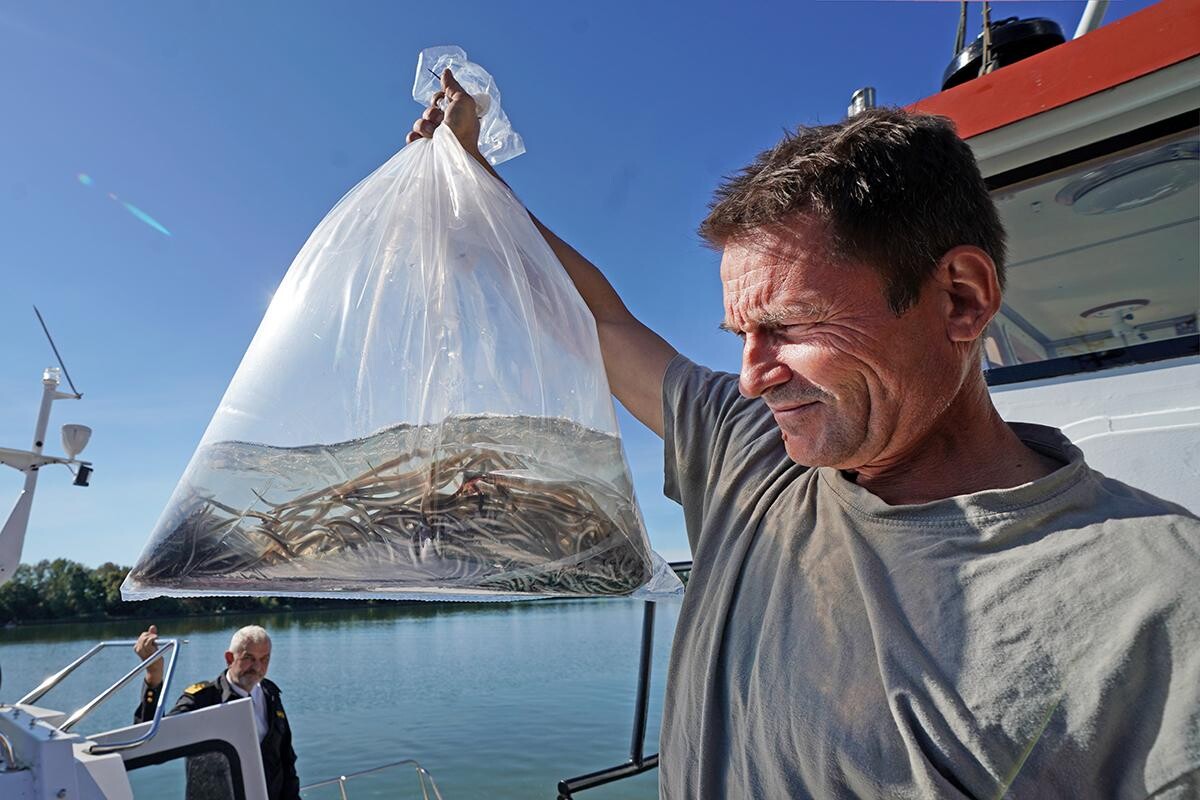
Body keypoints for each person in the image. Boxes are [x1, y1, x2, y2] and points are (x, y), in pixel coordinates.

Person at [409, 71, 1200, 798]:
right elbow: (600, 321)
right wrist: (470, 174)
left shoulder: (1160, 603)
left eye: (790, 327)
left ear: (960, 299)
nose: (753, 375)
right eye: (739, 333)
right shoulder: (750, 455)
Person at [134, 624, 300, 800]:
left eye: (264, 659)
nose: (257, 667)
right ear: (229, 658)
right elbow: (152, 741)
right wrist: (154, 676)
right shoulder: (203, 699)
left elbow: (286, 759)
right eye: (249, 658)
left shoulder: (270, 694)